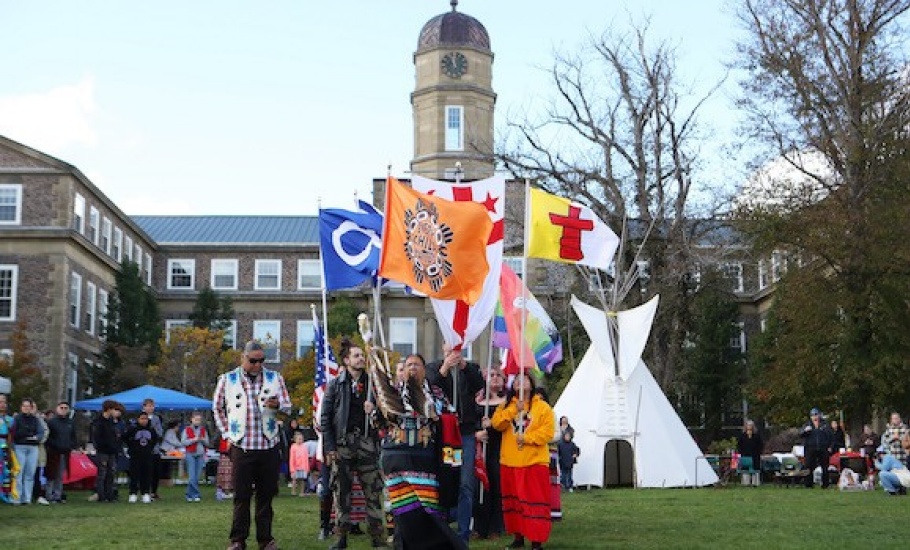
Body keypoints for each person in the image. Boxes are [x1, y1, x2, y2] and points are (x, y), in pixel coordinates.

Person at [378, 353, 464, 550]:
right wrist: (375, 411)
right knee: (401, 506)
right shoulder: (393, 393)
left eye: (417, 364)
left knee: (427, 505)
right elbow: (381, 424)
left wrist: (436, 414)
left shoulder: (435, 393)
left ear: (425, 370)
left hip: (423, 456)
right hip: (396, 456)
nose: (412, 368)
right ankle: (403, 545)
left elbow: (452, 416)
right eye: (408, 365)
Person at [214, 340, 291, 550]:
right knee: (241, 495)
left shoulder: (275, 379)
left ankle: (265, 540)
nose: (257, 365)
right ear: (243, 358)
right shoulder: (227, 380)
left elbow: (288, 407)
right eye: (253, 361)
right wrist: (227, 434)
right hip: (242, 446)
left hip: (268, 444)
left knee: (266, 496)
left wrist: (279, 406)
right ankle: (238, 540)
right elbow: (217, 408)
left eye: (261, 361)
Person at [320, 338, 386, 550]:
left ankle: (378, 538)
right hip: (343, 445)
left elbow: (386, 417)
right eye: (356, 356)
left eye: (362, 356)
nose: (361, 359)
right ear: (347, 360)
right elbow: (326, 419)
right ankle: (340, 539)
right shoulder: (335, 385)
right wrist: (330, 448)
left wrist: (373, 410)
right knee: (342, 493)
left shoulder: (373, 385)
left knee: (373, 492)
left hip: (367, 444)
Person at [426, 343, 485, 545]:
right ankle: (443, 530)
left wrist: (463, 366)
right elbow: (429, 386)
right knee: (447, 479)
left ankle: (463, 535)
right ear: (442, 347)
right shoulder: (434, 367)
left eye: (456, 347)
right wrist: (445, 368)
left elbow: (479, 385)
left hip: (465, 434)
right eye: (448, 346)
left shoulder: (470, 368)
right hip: (446, 435)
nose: (452, 350)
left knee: (465, 484)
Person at [490, 371, 555, 550]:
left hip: (533, 462)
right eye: (517, 380)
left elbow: (547, 432)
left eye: (524, 379)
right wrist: (513, 410)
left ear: (532, 384)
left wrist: (527, 438)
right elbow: (497, 424)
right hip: (510, 461)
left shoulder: (542, 407)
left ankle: (536, 541)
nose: (520, 382)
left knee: (534, 503)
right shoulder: (506, 405)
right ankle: (518, 538)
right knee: (515, 503)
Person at [473, 367, 506, 540]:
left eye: (498, 375)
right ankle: (479, 527)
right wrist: (477, 432)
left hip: (499, 449)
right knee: (480, 487)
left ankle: (495, 527)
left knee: (496, 487)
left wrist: (492, 423)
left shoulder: (507, 402)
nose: (494, 378)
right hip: (481, 449)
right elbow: (469, 423)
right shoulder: (477, 401)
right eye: (491, 375)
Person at [121, 410, 159, 503]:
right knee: (134, 475)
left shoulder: (151, 429)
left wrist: (150, 448)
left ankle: (145, 493)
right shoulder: (132, 429)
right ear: (138, 419)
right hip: (135, 456)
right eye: (142, 419)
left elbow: (155, 439)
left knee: (146, 475)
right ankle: (133, 493)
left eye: (145, 419)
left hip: (147, 455)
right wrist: (132, 447)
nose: (144, 421)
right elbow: (125, 438)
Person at [91, 400, 124, 502]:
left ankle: (110, 495)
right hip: (103, 452)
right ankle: (101, 495)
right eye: (114, 409)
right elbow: (97, 438)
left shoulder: (111, 422)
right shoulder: (99, 422)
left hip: (112, 452)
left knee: (111, 474)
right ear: (109, 409)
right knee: (102, 474)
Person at [12, 397, 43, 505]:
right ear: (21, 407)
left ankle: (27, 498)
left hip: (33, 448)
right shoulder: (16, 419)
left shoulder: (35, 420)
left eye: (28, 406)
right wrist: (28, 434)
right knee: (19, 472)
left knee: (30, 473)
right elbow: (15, 433)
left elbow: (40, 433)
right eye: (24, 406)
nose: (26, 408)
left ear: (31, 407)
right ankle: (17, 498)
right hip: (20, 446)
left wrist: (36, 437)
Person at [45, 401, 77, 504]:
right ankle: (49, 495)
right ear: (57, 409)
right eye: (61, 407)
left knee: (60, 475)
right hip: (53, 452)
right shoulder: (51, 422)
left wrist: (71, 445)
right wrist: (55, 445)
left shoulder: (70, 422)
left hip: (65, 451)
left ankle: (57, 495)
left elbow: (73, 436)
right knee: (51, 474)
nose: (63, 410)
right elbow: (48, 437)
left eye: (65, 408)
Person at [181, 410, 210, 502]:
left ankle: (189, 494)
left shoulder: (203, 430)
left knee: (197, 476)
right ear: (192, 419)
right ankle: (196, 494)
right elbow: (183, 442)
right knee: (192, 476)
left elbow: (207, 442)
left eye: (199, 420)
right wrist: (193, 439)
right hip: (190, 454)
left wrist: (202, 440)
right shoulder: (187, 430)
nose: (198, 421)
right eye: (196, 419)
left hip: (200, 454)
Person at [800, 408, 832, 489]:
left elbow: (830, 436)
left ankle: (825, 484)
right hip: (810, 448)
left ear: (819, 415)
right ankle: (808, 484)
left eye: (816, 415)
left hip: (823, 448)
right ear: (810, 417)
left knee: (825, 467)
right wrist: (805, 431)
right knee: (808, 466)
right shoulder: (807, 424)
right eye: (813, 415)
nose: (815, 417)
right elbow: (801, 435)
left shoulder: (824, 424)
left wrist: (830, 446)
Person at [141, 398, 165, 500]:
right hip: (144, 449)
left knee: (156, 472)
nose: (150, 408)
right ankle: (145, 491)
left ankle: (154, 492)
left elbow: (160, 432)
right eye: (148, 406)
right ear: (144, 407)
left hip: (155, 449)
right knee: (146, 472)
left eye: (152, 406)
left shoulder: (156, 419)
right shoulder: (140, 418)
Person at [736, 420, 763, 486]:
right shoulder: (742, 435)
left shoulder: (756, 435)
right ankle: (746, 482)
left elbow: (760, 445)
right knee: (745, 469)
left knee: (755, 468)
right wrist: (741, 452)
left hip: (755, 455)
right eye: (748, 425)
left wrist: (758, 452)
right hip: (745, 455)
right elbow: (739, 445)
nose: (749, 427)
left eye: (751, 425)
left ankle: (755, 483)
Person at [288, 431, 310, 497]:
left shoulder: (304, 447)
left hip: (303, 466)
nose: (300, 440)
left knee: (302, 480)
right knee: (294, 479)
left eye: (301, 439)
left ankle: (302, 492)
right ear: (295, 439)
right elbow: (291, 458)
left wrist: (307, 467)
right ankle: (293, 492)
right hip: (295, 467)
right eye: (299, 439)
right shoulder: (293, 447)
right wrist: (292, 468)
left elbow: (306, 458)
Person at [0, 394, 13, 504]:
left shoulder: (10, 419)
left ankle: (5, 493)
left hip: (6, 447)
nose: (2, 404)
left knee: (6, 471)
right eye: (0, 402)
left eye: (4, 402)